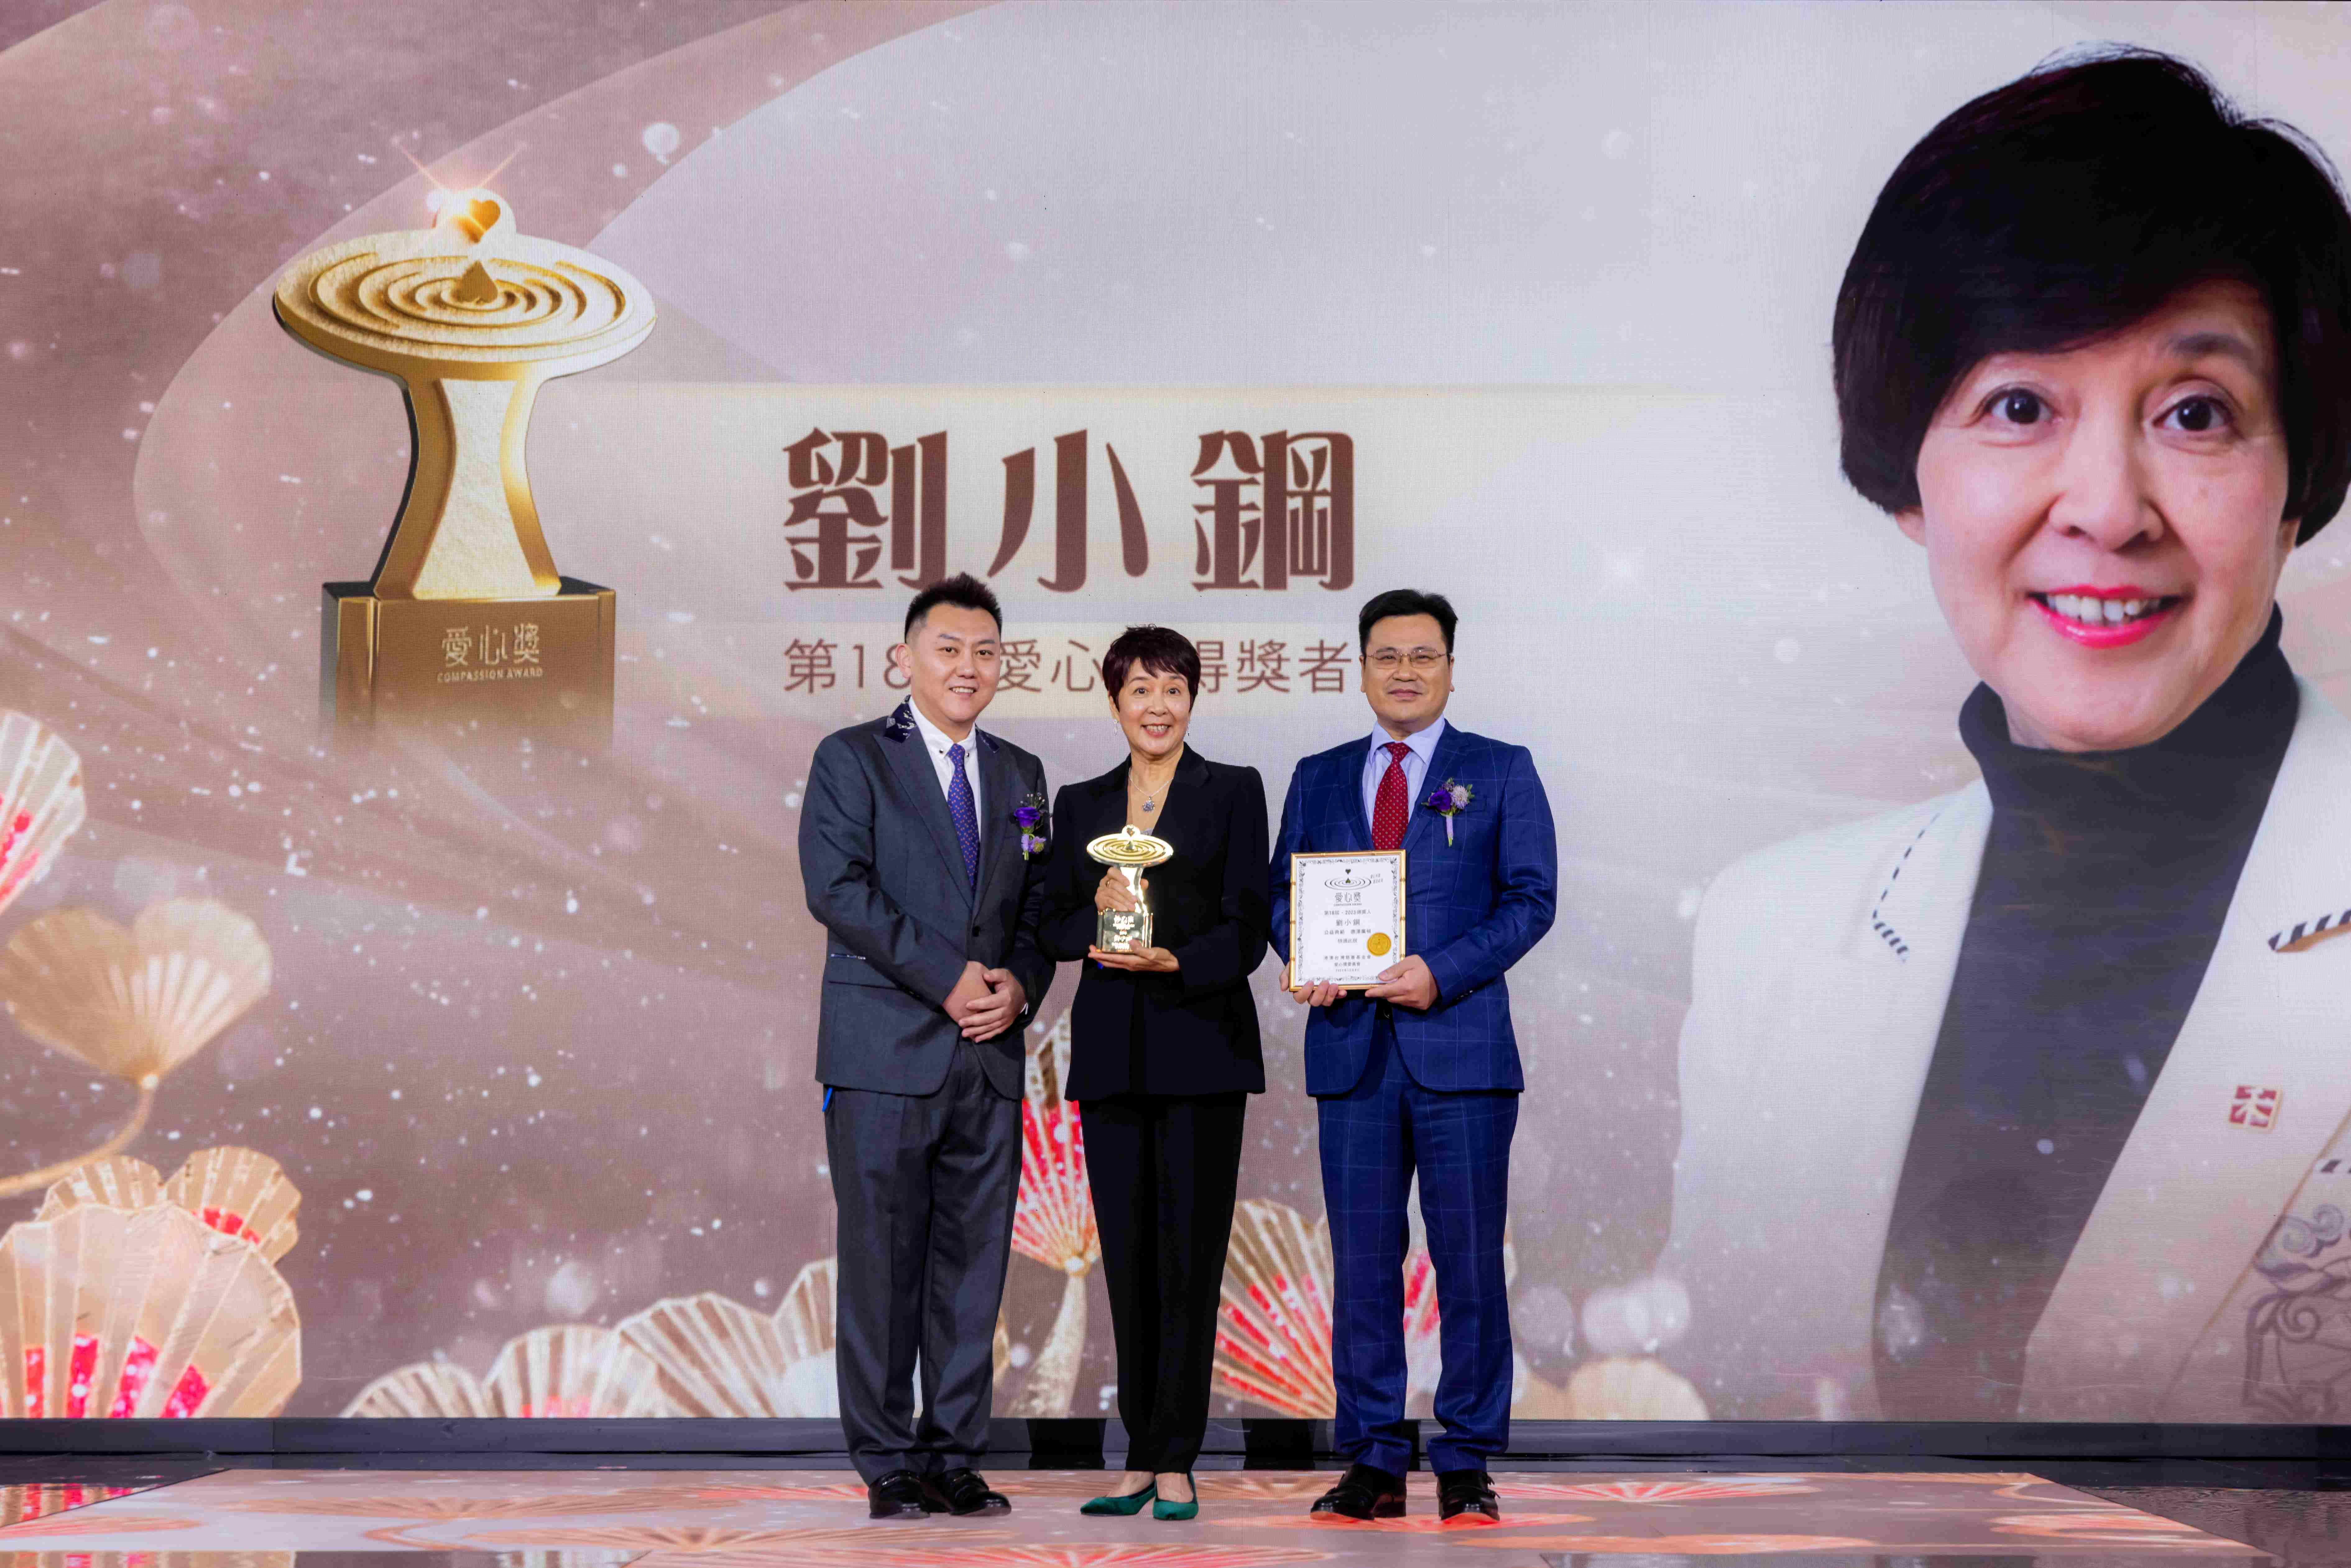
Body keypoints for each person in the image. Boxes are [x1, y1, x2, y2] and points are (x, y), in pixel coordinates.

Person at [1661, 49, 2351, 1424]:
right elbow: (1716, 1424)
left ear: (2297, 484)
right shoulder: (1769, 936)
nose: (2106, 508)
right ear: (1908, 478)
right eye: (2019, 407)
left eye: (2195, 414)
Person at [1269, 589, 1558, 1522]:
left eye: (1423, 656)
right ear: (1360, 669)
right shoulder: (1318, 776)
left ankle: (1466, 1456)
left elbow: (1530, 899)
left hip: (1461, 1051)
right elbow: (1283, 895)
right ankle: (1374, 1458)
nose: (1404, 671)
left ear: (1450, 669)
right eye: (1387, 656)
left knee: (1467, 1261)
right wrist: (1304, 957)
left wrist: (1442, 971)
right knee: (1362, 1264)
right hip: (1351, 1053)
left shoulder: (1499, 769)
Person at [798, 574, 1055, 1517]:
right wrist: (948, 978)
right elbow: (837, 889)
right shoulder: (853, 757)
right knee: (881, 1265)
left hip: (988, 1056)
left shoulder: (1022, 773)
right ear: (905, 658)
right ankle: (887, 1460)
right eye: (949, 649)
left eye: (986, 651)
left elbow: (1039, 909)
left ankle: (951, 1453)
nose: (968, 667)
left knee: (971, 1270)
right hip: (883, 1055)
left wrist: (1021, 984)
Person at [1035, 625, 1270, 1523]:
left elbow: (1249, 926)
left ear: (1193, 699)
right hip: (1111, 1057)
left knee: (1189, 1260)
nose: (1157, 706)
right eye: (1140, 689)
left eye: (1173, 688)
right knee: (1127, 1261)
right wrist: (1096, 920)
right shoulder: (1081, 802)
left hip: (1202, 1049)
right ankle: (1138, 1453)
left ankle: (1178, 1458)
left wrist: (1178, 958)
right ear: (1115, 702)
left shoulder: (1234, 790)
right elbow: (1053, 923)